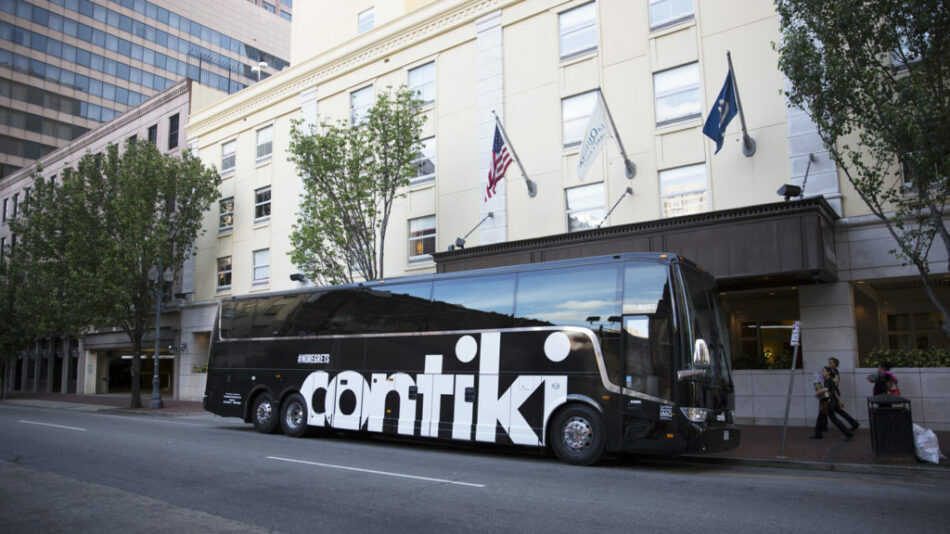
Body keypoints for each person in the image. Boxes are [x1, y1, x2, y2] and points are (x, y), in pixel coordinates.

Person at [811, 366, 854, 441]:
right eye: (822, 371)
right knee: (820, 418)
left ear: (828, 373)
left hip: (828, 402)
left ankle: (848, 433)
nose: (822, 372)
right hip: (828, 401)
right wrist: (839, 401)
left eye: (824, 371)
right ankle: (818, 434)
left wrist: (817, 392)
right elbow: (834, 391)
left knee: (833, 419)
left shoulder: (828, 380)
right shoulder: (828, 380)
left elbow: (826, 389)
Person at [827, 357, 859, 431]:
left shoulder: (834, 371)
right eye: (829, 363)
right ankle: (853, 423)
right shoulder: (832, 371)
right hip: (834, 392)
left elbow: (836, 380)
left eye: (831, 363)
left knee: (834, 412)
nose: (830, 364)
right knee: (838, 410)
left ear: (835, 364)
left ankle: (850, 427)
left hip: (834, 392)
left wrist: (828, 379)